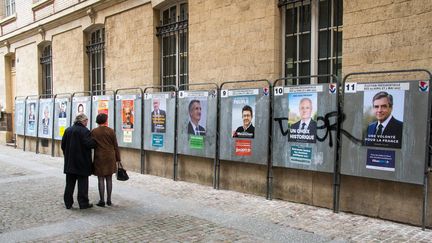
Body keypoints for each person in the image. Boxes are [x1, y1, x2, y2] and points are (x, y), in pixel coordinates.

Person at [61, 114, 96, 209]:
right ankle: (83, 203)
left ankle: (68, 203)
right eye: (86, 121)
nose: (87, 123)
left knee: (69, 184)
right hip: (82, 162)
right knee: (83, 184)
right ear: (83, 121)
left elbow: (63, 145)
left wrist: (67, 155)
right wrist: (94, 142)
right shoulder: (85, 131)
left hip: (70, 162)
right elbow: (89, 144)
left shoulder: (68, 130)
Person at [91, 113, 121, 207]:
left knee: (100, 178)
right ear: (106, 120)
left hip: (99, 157)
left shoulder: (94, 131)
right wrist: (118, 159)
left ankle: (102, 200)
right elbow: (115, 145)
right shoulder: (111, 131)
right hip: (110, 157)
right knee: (109, 178)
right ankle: (109, 200)